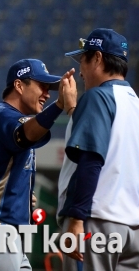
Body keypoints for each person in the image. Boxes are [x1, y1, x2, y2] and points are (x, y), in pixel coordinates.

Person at [0, 58, 76, 270]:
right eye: (42, 86)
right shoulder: (5, 115)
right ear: (19, 85)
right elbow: (25, 135)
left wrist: (17, 191)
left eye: (50, 89)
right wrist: (58, 106)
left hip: (3, 232)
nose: (47, 94)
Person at [59, 28, 139, 271]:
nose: (80, 70)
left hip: (98, 223)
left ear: (97, 58)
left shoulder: (96, 98)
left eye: (83, 59)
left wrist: (77, 218)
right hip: (133, 230)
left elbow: (91, 160)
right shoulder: (134, 103)